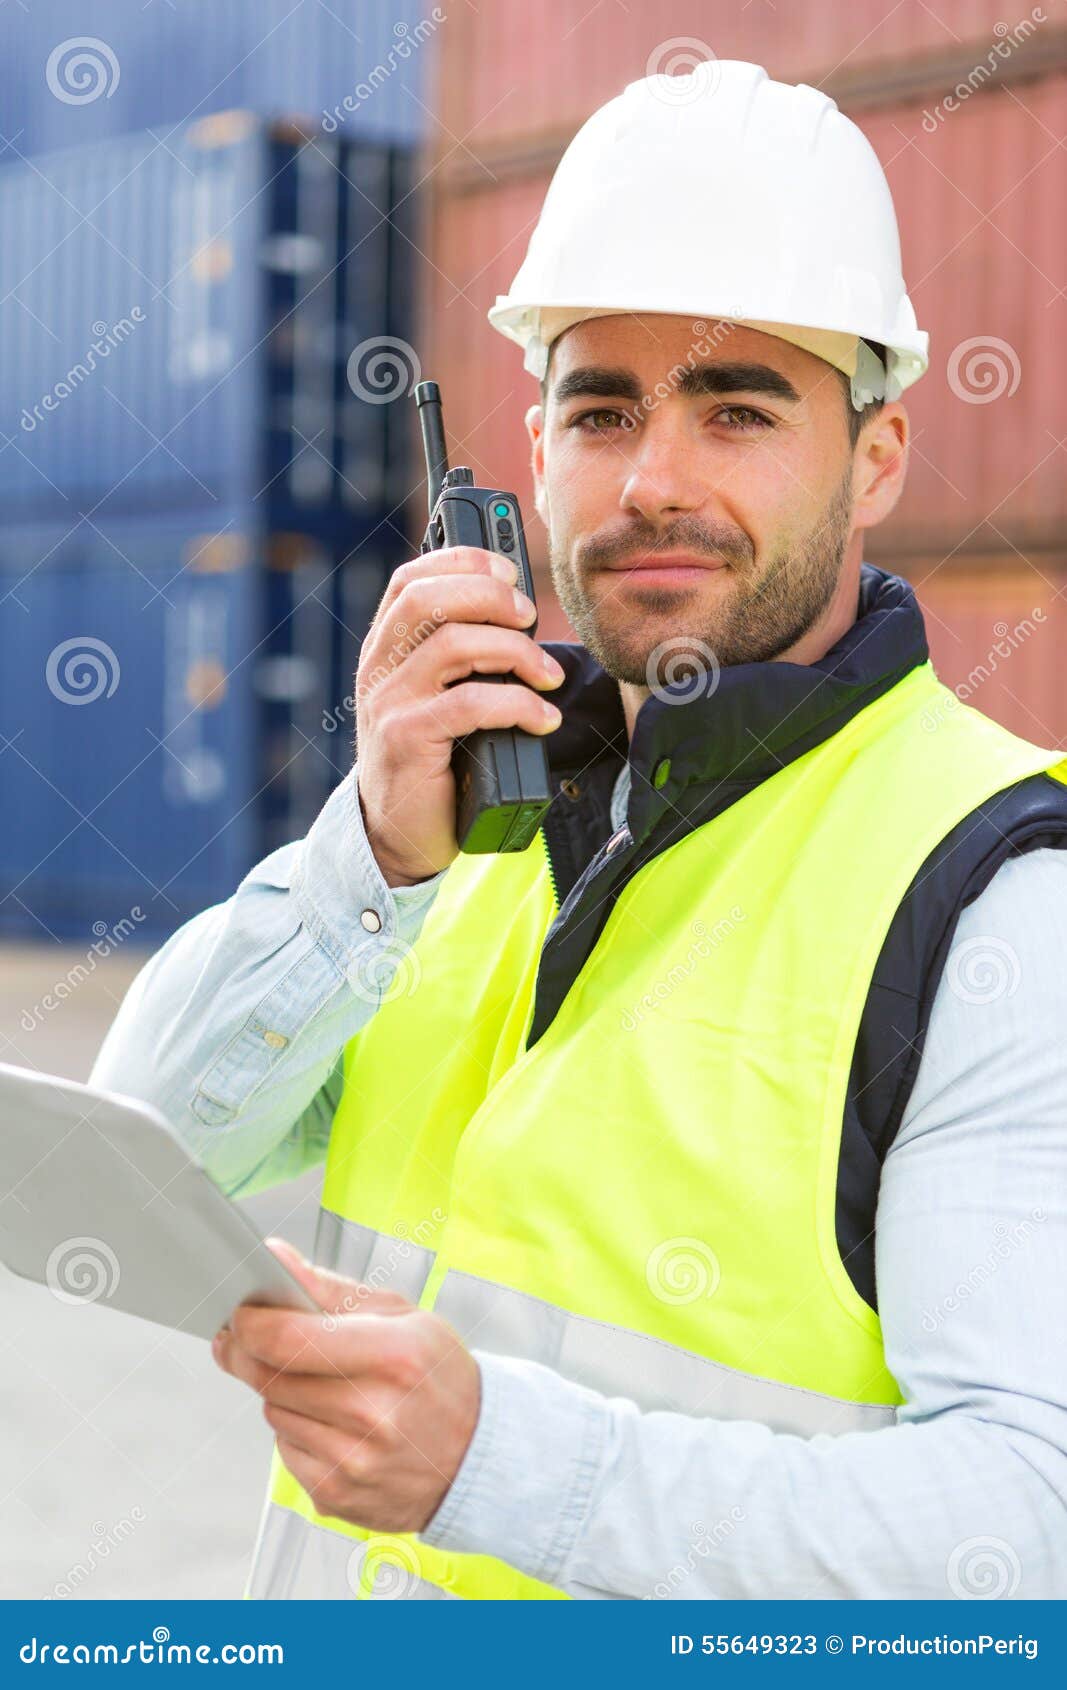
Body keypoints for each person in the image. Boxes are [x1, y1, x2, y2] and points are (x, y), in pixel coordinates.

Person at [92, 61, 1067, 1600]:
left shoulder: (996, 895)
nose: (653, 481)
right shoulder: (465, 809)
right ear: (531, 451)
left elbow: (1026, 1528)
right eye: (599, 410)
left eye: (737, 409)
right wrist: (366, 855)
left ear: (877, 454)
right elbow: (151, 1143)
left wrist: (506, 1467)